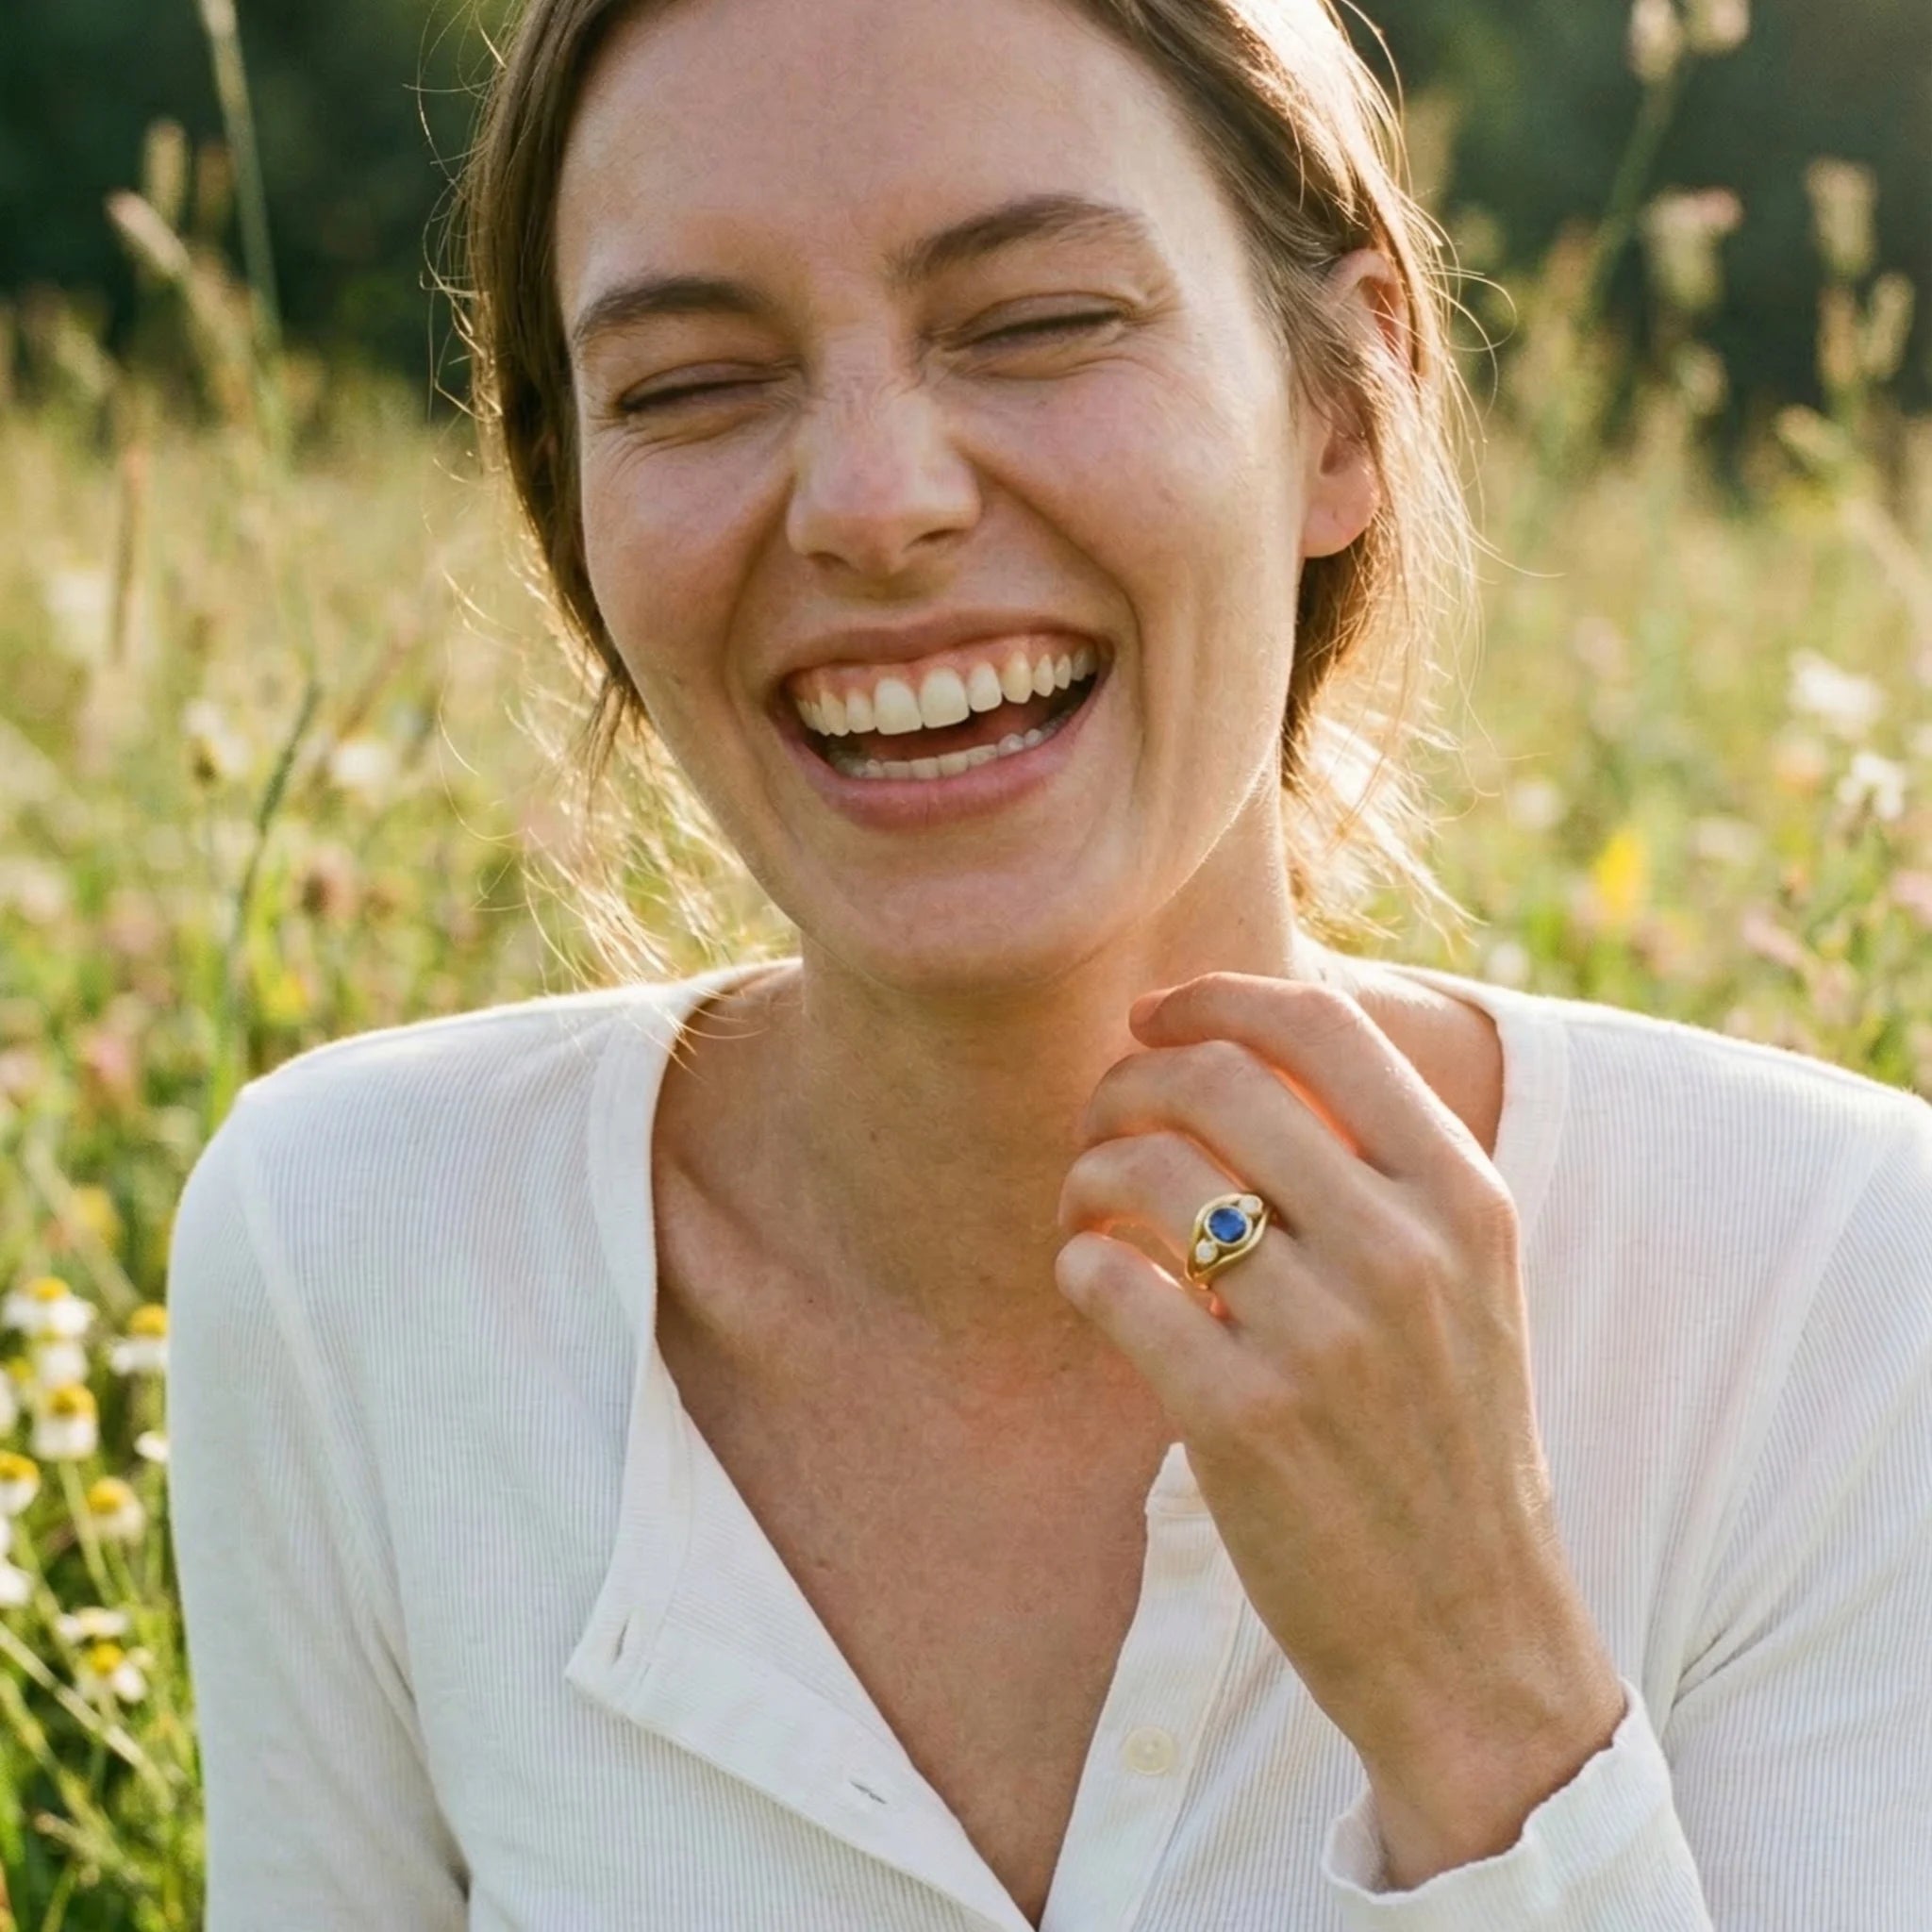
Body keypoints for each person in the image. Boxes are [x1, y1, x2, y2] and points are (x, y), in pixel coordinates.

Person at [164, 0, 1932, 1924]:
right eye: (686, 383)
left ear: (1345, 402)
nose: (870, 500)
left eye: (1036, 324)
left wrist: (1481, 1695)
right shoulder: (352, 1249)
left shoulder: (1827, 1293)